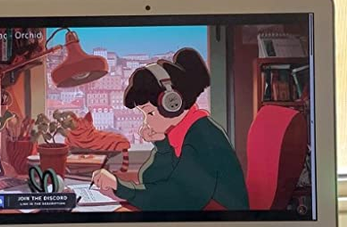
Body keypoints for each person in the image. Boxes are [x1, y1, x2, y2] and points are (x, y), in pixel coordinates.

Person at [91, 48, 247, 212]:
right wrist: (162, 146)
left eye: (150, 113)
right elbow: (151, 179)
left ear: (171, 104)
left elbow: (177, 197)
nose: (147, 121)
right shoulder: (182, 132)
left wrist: (120, 187)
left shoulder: (202, 137)